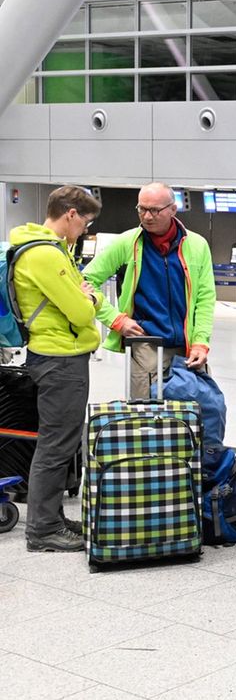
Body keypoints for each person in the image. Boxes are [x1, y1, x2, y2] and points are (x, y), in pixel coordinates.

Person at [9, 185, 102, 552]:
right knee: (56, 445)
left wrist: (82, 293)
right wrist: (90, 297)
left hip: (56, 355)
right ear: (70, 214)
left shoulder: (44, 248)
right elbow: (81, 310)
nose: (85, 230)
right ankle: (43, 530)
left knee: (60, 444)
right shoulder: (46, 255)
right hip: (59, 359)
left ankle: (52, 519)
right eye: (86, 222)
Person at [84, 183, 216, 400]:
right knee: (146, 414)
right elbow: (86, 281)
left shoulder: (197, 245)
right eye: (141, 209)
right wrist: (116, 320)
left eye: (154, 210)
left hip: (188, 346)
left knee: (193, 413)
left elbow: (205, 297)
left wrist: (201, 342)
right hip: (146, 343)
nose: (147, 216)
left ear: (173, 209)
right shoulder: (127, 242)